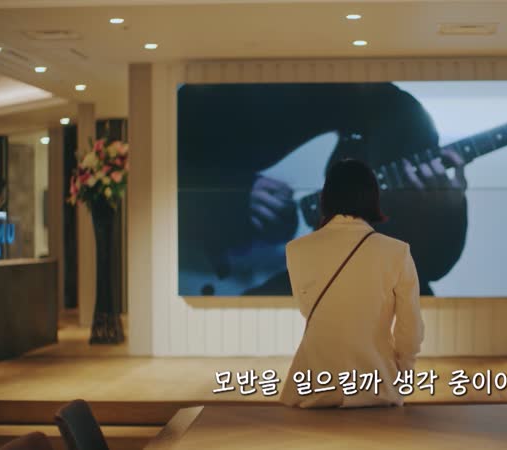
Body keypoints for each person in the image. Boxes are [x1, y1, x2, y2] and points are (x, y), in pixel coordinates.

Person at [177, 82, 468, 296]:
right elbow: (163, 164)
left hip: (354, 301)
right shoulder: (238, 88)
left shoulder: (405, 115)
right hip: (237, 282)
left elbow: (431, 268)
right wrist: (233, 199)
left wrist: (447, 211)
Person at [280, 159, 424, 408]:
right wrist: (404, 374)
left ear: (325, 197)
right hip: (377, 385)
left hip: (313, 387)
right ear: (373, 197)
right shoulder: (397, 251)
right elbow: (410, 327)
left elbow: (309, 309)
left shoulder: (296, 249)